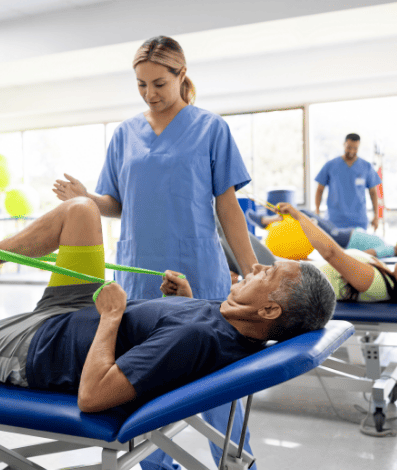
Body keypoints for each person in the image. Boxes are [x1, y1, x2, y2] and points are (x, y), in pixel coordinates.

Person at [0, 196, 336, 418]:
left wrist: (110, 317)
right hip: (75, 312)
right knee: (81, 210)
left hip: (44, 349)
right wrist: (178, 301)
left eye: (270, 275)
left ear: (269, 313)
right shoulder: (219, 315)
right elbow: (157, 328)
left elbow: (94, 397)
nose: (258, 267)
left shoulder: (202, 339)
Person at [51, 36, 259, 469]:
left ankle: (239, 463)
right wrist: (85, 198)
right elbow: (116, 203)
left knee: (217, 382)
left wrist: (252, 268)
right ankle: (156, 466)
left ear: (182, 75)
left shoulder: (211, 128)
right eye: (142, 85)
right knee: (144, 381)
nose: (150, 93)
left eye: (159, 83)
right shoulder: (124, 134)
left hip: (198, 271)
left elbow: (227, 206)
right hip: (140, 275)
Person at [273, 202, 397, 313]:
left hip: (283, 283)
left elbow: (331, 253)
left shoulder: (377, 283)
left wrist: (299, 216)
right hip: (288, 270)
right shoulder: (385, 272)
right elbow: (330, 267)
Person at [249, 209, 397, 262]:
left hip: (340, 237)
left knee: (305, 216)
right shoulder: (390, 248)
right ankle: (266, 220)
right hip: (341, 235)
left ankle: (265, 221)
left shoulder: (389, 250)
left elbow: (367, 254)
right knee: (306, 217)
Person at [314, 133, 382, 231]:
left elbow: (373, 192)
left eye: (355, 148)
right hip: (334, 220)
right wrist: (317, 211)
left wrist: (376, 216)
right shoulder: (331, 165)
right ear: (344, 144)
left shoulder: (366, 167)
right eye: (349, 147)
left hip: (358, 221)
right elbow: (320, 189)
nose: (351, 151)